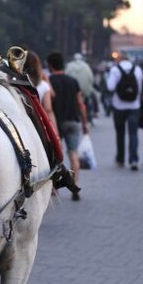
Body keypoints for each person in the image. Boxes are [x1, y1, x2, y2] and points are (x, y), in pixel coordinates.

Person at [48, 52, 88, 196]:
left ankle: (54, 189)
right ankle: (74, 186)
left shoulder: (49, 81)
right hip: (73, 121)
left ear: (50, 65)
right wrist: (85, 122)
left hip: (55, 124)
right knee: (73, 154)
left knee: (55, 156)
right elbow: (80, 104)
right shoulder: (73, 81)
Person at [106, 52, 143, 170]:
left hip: (119, 106)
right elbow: (140, 89)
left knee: (120, 133)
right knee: (133, 133)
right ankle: (133, 159)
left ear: (119, 60)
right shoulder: (137, 69)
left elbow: (110, 87)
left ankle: (120, 159)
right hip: (134, 106)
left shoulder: (115, 70)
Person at [65, 53, 97, 123]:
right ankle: (95, 113)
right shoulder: (86, 66)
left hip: (72, 91)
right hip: (85, 91)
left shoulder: (69, 66)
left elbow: (65, 77)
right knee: (94, 97)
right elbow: (91, 79)